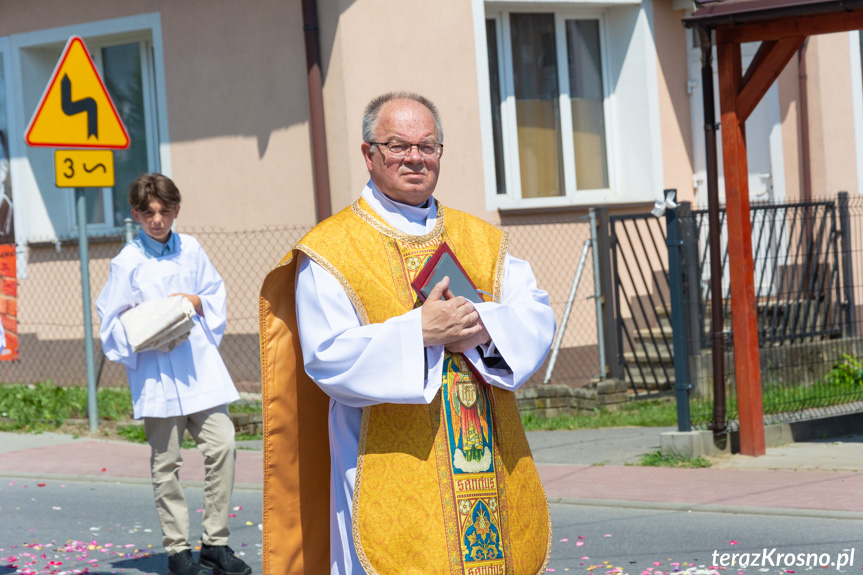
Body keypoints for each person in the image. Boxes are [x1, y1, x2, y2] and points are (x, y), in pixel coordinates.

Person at [260, 92, 556, 575]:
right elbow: (327, 357)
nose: (415, 158)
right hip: (385, 462)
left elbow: (536, 315)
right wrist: (419, 331)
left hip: (486, 459)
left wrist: (481, 327)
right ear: (369, 153)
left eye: (428, 146)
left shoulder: (481, 238)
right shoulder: (332, 249)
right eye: (398, 145)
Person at [97, 173, 252, 575]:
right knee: (166, 463)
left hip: (198, 368)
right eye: (148, 213)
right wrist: (145, 327)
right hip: (156, 372)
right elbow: (110, 322)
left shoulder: (193, 249)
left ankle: (215, 543)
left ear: (176, 210)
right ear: (135, 214)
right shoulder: (127, 262)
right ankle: (178, 551)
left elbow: (214, 293)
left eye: (165, 211)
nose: (157, 220)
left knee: (223, 445)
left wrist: (195, 300)